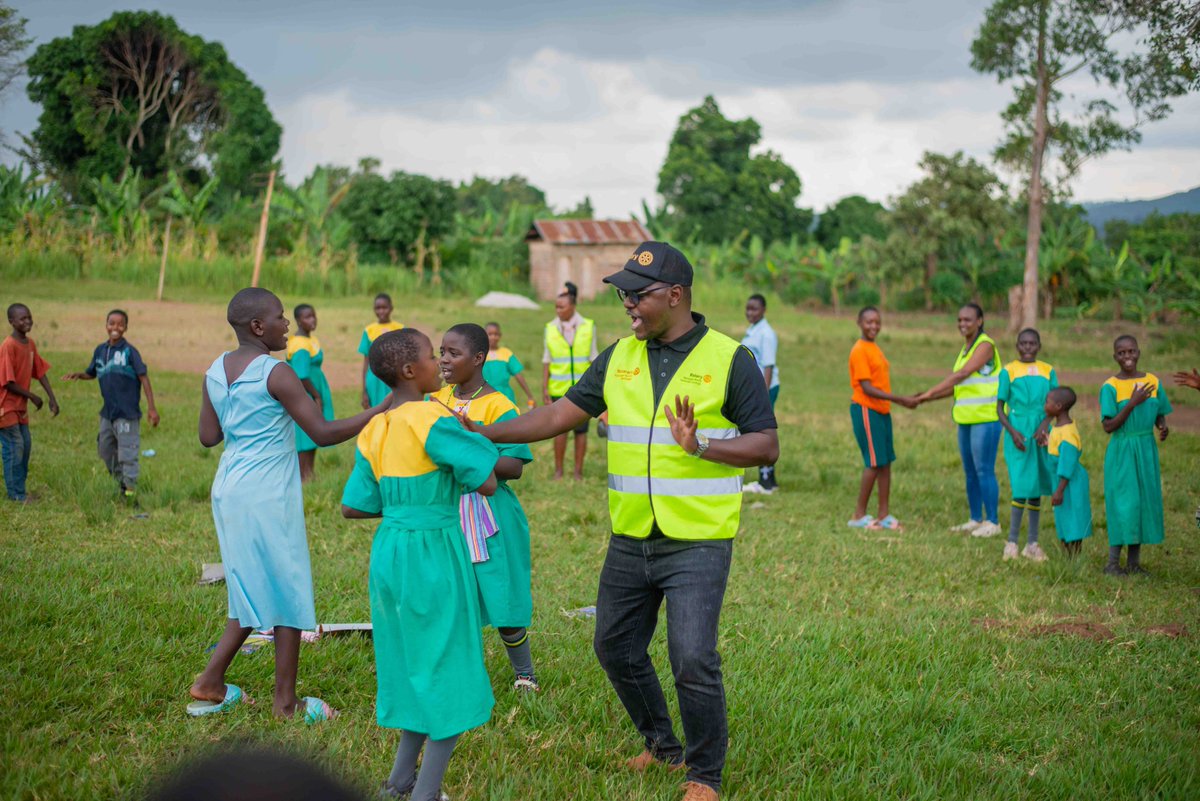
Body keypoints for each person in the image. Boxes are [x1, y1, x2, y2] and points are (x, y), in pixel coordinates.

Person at [465, 242, 778, 801]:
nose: (627, 304)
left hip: (698, 540)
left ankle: (704, 774)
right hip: (632, 534)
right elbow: (559, 414)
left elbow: (767, 445)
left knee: (692, 658)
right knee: (613, 645)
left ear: (675, 295)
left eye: (637, 294)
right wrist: (479, 432)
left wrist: (701, 444)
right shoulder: (619, 356)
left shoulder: (731, 359)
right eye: (623, 294)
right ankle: (661, 746)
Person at [189, 288, 386, 722]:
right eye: (281, 318)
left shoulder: (214, 371)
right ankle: (286, 703)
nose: (287, 325)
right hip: (266, 493)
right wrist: (380, 410)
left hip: (229, 488)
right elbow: (322, 432)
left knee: (251, 587)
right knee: (289, 587)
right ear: (258, 327)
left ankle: (210, 682)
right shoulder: (275, 373)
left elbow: (208, 436)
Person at [341, 328, 499, 801]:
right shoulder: (434, 419)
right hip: (435, 549)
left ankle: (399, 781)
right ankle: (425, 793)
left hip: (390, 551)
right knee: (448, 663)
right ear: (412, 371)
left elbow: (354, 505)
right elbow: (487, 481)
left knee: (410, 660)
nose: (440, 365)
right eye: (433, 357)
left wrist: (403, 506)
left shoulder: (375, 428)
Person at [432, 323, 539, 691]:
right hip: (446, 511)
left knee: (500, 590)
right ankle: (458, 672)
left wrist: (470, 449)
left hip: (488, 513)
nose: (444, 360)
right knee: (451, 594)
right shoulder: (436, 398)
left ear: (478, 359)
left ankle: (524, 673)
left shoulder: (499, 405)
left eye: (453, 354)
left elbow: (513, 467)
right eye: (442, 351)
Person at [917, 303, 1003, 538]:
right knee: (970, 471)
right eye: (959, 320)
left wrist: (929, 392)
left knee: (984, 469)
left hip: (986, 418)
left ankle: (993, 521)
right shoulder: (965, 349)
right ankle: (975, 519)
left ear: (980, 321)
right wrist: (927, 398)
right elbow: (959, 387)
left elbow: (961, 375)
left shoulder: (985, 345)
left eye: (968, 320)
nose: (963, 324)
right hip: (966, 419)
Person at [62, 309, 160, 504]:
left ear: (126, 328)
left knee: (127, 454)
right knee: (105, 450)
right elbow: (93, 372)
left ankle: (130, 494)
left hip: (127, 414)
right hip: (108, 414)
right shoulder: (100, 351)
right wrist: (80, 375)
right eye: (112, 323)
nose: (115, 328)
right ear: (106, 325)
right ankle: (121, 484)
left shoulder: (130, 352)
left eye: (120, 324)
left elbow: (144, 378)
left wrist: (152, 408)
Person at [1100, 335, 1171, 576]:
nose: (1127, 357)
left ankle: (1133, 563)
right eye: (1121, 353)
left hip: (1145, 449)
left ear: (1139, 353)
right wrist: (1131, 403)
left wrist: (1162, 426)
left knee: (1140, 502)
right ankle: (1112, 564)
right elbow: (1108, 426)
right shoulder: (1110, 386)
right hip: (1122, 450)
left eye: (1131, 351)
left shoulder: (1152, 381)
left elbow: (1159, 411)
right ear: (1115, 357)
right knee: (1123, 503)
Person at [847, 306, 918, 530]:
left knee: (885, 463)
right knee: (874, 462)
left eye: (877, 322)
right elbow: (867, 388)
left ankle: (884, 514)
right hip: (866, 409)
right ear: (859, 322)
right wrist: (900, 399)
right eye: (869, 322)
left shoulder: (874, 348)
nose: (873, 326)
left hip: (881, 410)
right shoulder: (859, 350)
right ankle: (858, 516)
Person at [995, 329, 1057, 562]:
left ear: (1039, 346)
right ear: (1017, 346)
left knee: (1036, 486)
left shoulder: (1048, 370)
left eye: (1032, 343)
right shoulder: (1008, 371)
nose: (1028, 347)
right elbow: (1000, 408)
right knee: (1021, 485)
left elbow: (1056, 403)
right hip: (1018, 431)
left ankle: (1032, 543)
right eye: (1023, 343)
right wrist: (1012, 432)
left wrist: (1044, 425)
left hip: (1041, 431)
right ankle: (1011, 542)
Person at [0, 303, 58, 503]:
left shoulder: (30, 344)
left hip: (20, 408)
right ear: (11, 322)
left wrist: (52, 398)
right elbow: (7, 382)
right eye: (22, 319)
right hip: (5, 407)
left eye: (29, 317)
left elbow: (39, 371)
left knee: (25, 446)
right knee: (14, 447)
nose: (27, 322)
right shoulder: (8, 346)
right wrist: (32, 396)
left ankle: (20, 490)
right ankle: (15, 494)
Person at [542, 281, 597, 479]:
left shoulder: (588, 326)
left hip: (582, 389)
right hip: (559, 389)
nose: (558, 311)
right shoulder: (550, 328)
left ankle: (578, 472)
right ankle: (558, 471)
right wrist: (545, 389)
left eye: (561, 307)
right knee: (559, 431)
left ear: (572, 306)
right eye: (556, 307)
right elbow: (546, 360)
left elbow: (593, 357)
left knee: (581, 432)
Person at [287, 304, 333, 483]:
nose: (312, 320)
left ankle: (309, 474)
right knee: (305, 434)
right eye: (307, 317)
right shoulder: (299, 345)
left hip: (314, 389)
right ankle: (303, 475)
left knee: (314, 432)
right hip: (306, 392)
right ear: (298, 321)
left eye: (313, 316)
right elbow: (302, 375)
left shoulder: (310, 339)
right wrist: (316, 396)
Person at [740, 293, 782, 494]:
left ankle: (766, 482)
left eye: (754, 309)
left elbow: (768, 365)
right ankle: (768, 480)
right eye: (748, 308)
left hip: (765, 388)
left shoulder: (766, 334)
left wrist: (762, 395)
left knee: (762, 432)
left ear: (764, 310)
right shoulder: (753, 330)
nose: (750, 312)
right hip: (757, 388)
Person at [1044, 387, 1091, 558]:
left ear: (1058, 406)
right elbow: (1059, 450)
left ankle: (1074, 557)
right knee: (1064, 517)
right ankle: (1067, 555)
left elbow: (1068, 462)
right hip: (1062, 481)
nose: (1044, 405)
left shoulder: (1068, 433)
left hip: (1069, 483)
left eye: (1046, 402)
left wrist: (1059, 490)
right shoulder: (1059, 427)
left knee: (1073, 519)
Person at [360, 293, 405, 409]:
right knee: (376, 413)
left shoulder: (400, 328)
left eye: (384, 308)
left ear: (391, 308)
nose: (381, 311)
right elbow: (366, 361)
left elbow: (405, 357)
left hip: (395, 377)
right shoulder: (368, 331)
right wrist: (364, 390)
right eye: (377, 308)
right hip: (375, 379)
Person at [484, 322, 536, 409]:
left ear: (500, 335)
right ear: (484, 335)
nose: (493, 337)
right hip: (485, 395)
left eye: (496, 334)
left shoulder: (506, 353)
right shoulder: (480, 354)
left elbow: (518, 375)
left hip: (505, 396)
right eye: (490, 334)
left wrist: (529, 395)